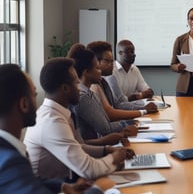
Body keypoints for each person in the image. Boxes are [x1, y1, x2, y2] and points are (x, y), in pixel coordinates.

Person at [0, 63, 116, 194]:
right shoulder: (10, 161)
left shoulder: (8, 150)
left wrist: (63, 187)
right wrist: (98, 188)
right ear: (24, 104)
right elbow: (88, 170)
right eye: (34, 95)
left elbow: (33, 180)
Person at [24, 58, 135, 180]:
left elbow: (76, 147)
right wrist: (114, 158)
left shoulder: (59, 113)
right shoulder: (52, 121)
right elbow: (89, 170)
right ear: (65, 88)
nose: (80, 88)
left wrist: (107, 150)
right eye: (77, 83)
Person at [67, 44, 156, 140]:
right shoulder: (85, 96)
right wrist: (132, 121)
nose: (100, 71)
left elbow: (111, 113)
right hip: (100, 146)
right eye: (97, 68)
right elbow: (106, 128)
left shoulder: (92, 91)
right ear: (86, 72)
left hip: (106, 141)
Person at [86, 41, 158, 114]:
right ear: (96, 62)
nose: (112, 64)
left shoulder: (104, 80)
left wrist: (142, 109)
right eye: (108, 61)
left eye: (112, 61)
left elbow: (120, 103)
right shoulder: (95, 86)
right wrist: (142, 111)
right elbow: (111, 113)